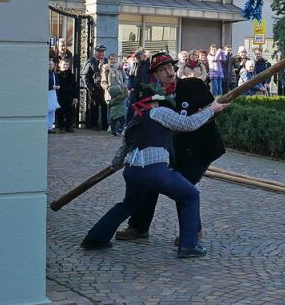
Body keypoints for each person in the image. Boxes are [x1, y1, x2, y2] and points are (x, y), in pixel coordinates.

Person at [81, 82, 227, 258]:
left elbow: (120, 156)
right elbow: (189, 124)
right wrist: (212, 109)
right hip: (155, 169)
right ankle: (189, 245)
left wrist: (114, 165)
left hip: (131, 171)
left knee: (128, 204)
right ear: (154, 102)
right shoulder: (160, 113)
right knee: (190, 195)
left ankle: (95, 238)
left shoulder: (132, 124)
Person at [114, 52, 227, 244]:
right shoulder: (155, 97)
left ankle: (192, 232)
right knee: (149, 179)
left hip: (200, 147)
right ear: (155, 75)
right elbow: (139, 124)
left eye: (169, 67)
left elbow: (213, 109)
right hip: (173, 150)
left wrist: (202, 115)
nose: (168, 72)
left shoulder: (193, 85)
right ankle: (139, 226)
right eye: (162, 69)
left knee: (182, 185)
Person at [81, 45, 109, 130]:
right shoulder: (91, 61)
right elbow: (85, 76)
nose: (101, 53)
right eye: (99, 51)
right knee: (94, 106)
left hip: (105, 88)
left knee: (105, 106)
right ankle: (93, 124)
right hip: (94, 88)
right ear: (96, 52)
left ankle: (105, 125)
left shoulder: (106, 61)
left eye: (102, 52)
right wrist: (91, 88)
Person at [102, 54, 128, 136]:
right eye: (111, 59)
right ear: (109, 60)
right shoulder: (106, 69)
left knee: (121, 109)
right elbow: (103, 81)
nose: (113, 61)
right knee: (110, 110)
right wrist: (107, 87)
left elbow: (125, 78)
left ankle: (120, 126)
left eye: (114, 59)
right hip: (110, 92)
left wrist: (124, 86)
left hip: (120, 91)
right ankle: (110, 125)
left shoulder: (120, 69)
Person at [56, 57, 78, 132]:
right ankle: (61, 126)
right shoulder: (57, 75)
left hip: (69, 96)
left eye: (67, 64)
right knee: (60, 112)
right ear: (60, 65)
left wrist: (75, 97)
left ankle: (69, 127)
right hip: (60, 96)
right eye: (64, 64)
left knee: (70, 112)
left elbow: (75, 86)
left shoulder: (71, 75)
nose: (66, 66)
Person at [47, 58, 60, 133]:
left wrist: (57, 86)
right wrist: (52, 87)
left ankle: (50, 126)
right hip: (48, 93)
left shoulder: (54, 74)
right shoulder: (46, 73)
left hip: (53, 93)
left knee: (53, 110)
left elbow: (57, 83)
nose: (50, 66)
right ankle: (46, 127)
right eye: (49, 64)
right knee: (48, 109)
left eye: (51, 64)